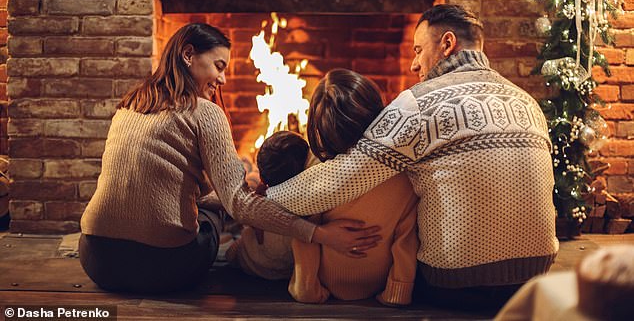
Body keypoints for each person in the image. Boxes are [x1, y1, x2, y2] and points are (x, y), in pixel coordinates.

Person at [267, 5, 559, 309]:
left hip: (456, 281)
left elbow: (336, 182)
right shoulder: (527, 102)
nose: (414, 65)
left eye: (418, 50)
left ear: (447, 44)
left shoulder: (418, 104)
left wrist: (264, 198)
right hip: (533, 275)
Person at [79, 23, 381, 293]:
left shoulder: (130, 104)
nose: (223, 79)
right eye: (218, 66)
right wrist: (321, 234)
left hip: (96, 259)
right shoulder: (203, 111)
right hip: (165, 268)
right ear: (188, 55)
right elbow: (239, 205)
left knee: (206, 199)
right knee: (218, 213)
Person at [288, 69, 419, 306]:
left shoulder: (316, 170)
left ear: (320, 126)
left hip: (326, 279)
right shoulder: (401, 172)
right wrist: (397, 292)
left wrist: (306, 289)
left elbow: (303, 235)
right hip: (377, 281)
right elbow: (406, 238)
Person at [225, 131, 309, 280]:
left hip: (255, 262)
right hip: (289, 268)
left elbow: (252, 222)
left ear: (263, 177)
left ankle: (246, 167)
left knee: (231, 252)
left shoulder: (262, 204)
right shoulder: (307, 199)